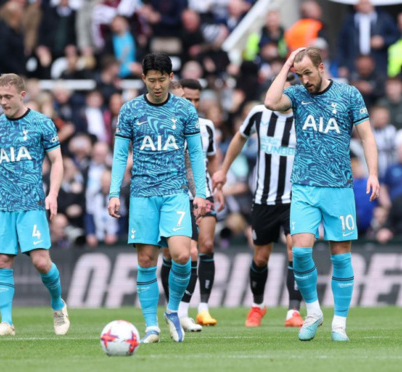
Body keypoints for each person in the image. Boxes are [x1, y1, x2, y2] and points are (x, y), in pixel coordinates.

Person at [264, 47, 381, 342]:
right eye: (299, 74)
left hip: (339, 188)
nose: (305, 80)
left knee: (341, 257)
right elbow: (270, 101)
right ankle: (313, 312)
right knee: (300, 252)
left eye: (308, 73)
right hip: (304, 186)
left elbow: (367, 136)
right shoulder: (296, 94)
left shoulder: (349, 94)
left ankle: (339, 323)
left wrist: (374, 174)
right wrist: (286, 65)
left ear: (321, 67)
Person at [108, 53, 208, 344]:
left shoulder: (185, 110)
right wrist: (114, 192)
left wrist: (200, 192)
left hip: (176, 193)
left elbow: (197, 154)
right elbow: (119, 155)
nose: (156, 85)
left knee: (181, 255)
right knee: (146, 259)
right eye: (151, 80)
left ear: (170, 78)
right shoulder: (129, 111)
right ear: (143, 79)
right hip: (142, 194)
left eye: (162, 79)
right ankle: (151, 326)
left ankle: (173, 310)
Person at [212, 73, 305, 328]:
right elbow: (239, 138)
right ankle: (258, 305)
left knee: (295, 250)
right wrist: (223, 170)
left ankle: (293, 311)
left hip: (295, 198)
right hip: (264, 198)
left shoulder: (304, 118)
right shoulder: (259, 113)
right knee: (260, 257)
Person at [0, 73, 69, 336]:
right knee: (2, 261)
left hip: (32, 203)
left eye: (8, 97)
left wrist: (52, 194)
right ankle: (7, 322)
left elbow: (57, 160)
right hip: (2, 204)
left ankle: (57, 304)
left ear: (22, 95)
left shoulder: (42, 123)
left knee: (41, 262)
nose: (3, 102)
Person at [160, 79, 224, 331]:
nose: (193, 104)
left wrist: (217, 186)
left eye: (197, 100)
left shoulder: (206, 127)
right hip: (175, 195)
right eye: (188, 99)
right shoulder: (167, 123)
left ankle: (200, 308)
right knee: (173, 254)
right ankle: (173, 306)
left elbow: (212, 157)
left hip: (202, 192)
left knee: (204, 247)